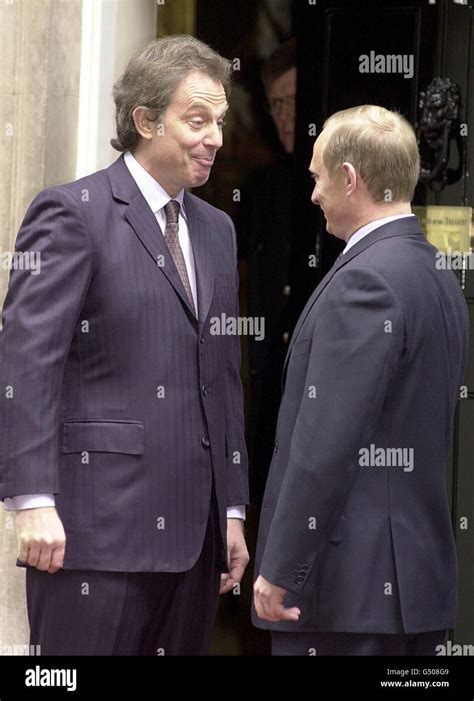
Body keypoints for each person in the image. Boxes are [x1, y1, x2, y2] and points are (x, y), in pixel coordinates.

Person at [0, 35, 249, 656]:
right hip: (91, 538)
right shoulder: (72, 213)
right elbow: (26, 363)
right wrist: (31, 501)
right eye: (197, 120)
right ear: (144, 120)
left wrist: (235, 509)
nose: (215, 136)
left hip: (195, 544)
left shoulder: (218, 230)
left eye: (220, 120)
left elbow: (221, 377)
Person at [252, 105, 469, 656]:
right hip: (411, 590)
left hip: (346, 594)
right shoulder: (437, 275)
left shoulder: (366, 280)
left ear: (350, 178)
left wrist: (281, 569)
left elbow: (325, 445)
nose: (314, 193)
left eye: (319, 176)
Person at [238, 38, 298, 508]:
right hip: (266, 386)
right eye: (275, 103)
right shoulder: (262, 189)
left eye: (293, 101)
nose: (284, 115)